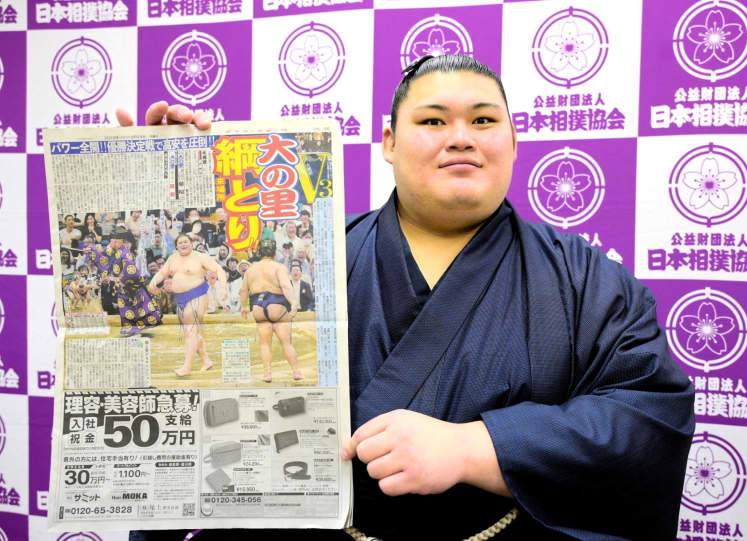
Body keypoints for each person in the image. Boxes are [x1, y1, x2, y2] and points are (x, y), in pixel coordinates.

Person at [122, 54, 694, 540]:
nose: (461, 137)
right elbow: (204, 392)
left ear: (514, 143)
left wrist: (478, 448)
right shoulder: (323, 257)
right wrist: (172, 182)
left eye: (484, 120)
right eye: (433, 120)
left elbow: (648, 417)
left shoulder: (583, 277)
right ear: (389, 144)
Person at [147, 233, 227, 377]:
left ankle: (186, 367)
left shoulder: (200, 257)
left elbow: (219, 269)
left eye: (186, 242)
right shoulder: (173, 258)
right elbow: (162, 273)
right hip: (181, 298)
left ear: (191, 244)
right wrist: (153, 282)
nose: (183, 244)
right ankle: (206, 361)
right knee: (191, 332)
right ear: (176, 246)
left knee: (191, 331)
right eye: (180, 242)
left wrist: (222, 287)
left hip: (198, 294)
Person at [239, 239, 302, 383]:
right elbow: (286, 286)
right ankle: (296, 371)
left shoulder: (251, 269)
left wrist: (244, 307)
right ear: (274, 253)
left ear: (259, 252)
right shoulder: (279, 267)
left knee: (264, 343)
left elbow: (243, 290)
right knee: (286, 342)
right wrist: (293, 303)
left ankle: (267, 374)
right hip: (276, 303)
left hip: (258, 306)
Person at [85, 228, 162, 336]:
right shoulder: (112, 249)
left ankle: (135, 327)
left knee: (139, 308)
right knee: (126, 308)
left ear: (120, 242)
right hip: (122, 286)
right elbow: (103, 255)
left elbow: (132, 272)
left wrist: (118, 280)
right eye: (111, 241)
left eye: (114, 241)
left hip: (131, 285)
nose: (111, 243)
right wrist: (91, 250)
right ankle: (130, 328)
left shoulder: (126, 254)